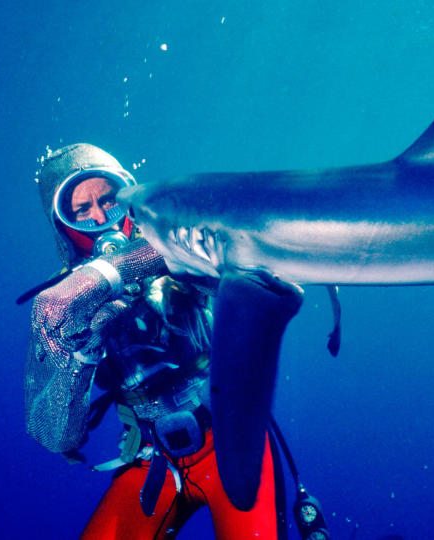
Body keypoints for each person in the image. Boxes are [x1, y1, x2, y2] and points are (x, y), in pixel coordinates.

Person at [24, 143, 288, 539]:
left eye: (109, 199)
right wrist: (79, 351)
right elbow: (56, 436)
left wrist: (107, 272)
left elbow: (234, 239)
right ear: (62, 226)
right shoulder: (61, 307)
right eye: (80, 211)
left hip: (230, 441)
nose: (99, 217)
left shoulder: (181, 239)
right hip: (150, 460)